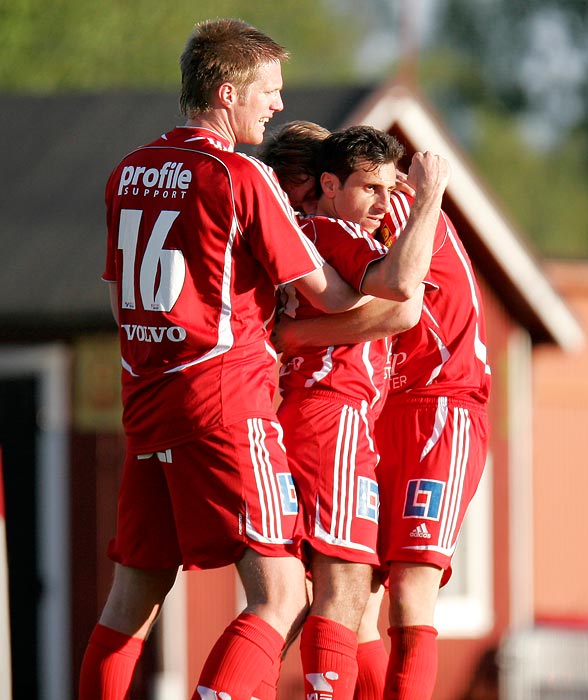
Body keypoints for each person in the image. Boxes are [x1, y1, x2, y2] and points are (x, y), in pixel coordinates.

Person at [78, 19, 375, 700]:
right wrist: (386, 264)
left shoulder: (128, 170)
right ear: (226, 91)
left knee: (131, 602)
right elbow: (325, 293)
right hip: (223, 402)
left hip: (148, 403)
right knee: (280, 594)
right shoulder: (241, 174)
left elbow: (123, 303)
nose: (277, 106)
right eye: (267, 91)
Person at [275, 161, 491, 700]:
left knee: (410, 593)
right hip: (383, 410)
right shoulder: (329, 225)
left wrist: (295, 336)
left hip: (442, 404)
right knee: (359, 596)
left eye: (293, 195)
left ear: (322, 183)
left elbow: (403, 307)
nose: (292, 209)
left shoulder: (388, 209)